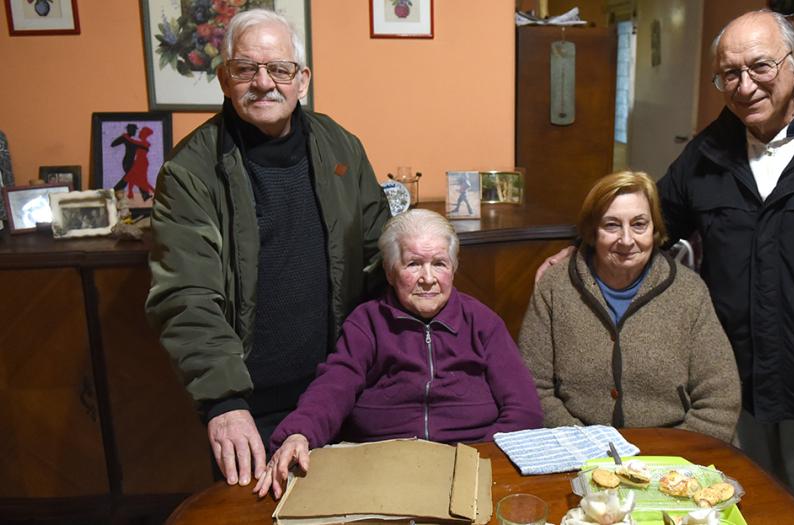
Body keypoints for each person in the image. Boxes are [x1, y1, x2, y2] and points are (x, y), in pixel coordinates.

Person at [536, 11, 794, 525]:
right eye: (730, 74)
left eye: (760, 67)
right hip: (737, 383)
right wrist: (582, 250)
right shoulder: (709, 149)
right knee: (738, 512)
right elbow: (655, 219)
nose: (745, 86)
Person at [146, 9, 390, 490]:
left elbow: (379, 251)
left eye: (279, 69)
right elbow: (186, 296)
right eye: (245, 69)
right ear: (224, 78)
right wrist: (223, 402)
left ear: (302, 80)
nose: (264, 83)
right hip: (250, 404)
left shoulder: (342, 147)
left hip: (339, 388)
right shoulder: (190, 171)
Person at [255, 209, 543, 498]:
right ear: (391, 272)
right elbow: (334, 386)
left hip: (472, 464)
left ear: (453, 269)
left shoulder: (482, 322)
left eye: (439, 263)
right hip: (380, 469)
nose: (428, 278)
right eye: (414, 264)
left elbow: (524, 410)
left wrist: (476, 455)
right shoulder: (367, 322)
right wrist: (299, 432)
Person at [519, 171, 740, 442]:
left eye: (639, 224)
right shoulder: (555, 287)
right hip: (577, 446)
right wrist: (583, 444)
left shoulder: (689, 292)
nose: (626, 240)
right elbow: (532, 385)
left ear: (655, 229)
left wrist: (672, 457)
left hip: (674, 454)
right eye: (611, 225)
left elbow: (720, 398)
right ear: (591, 231)